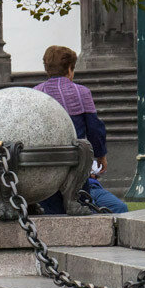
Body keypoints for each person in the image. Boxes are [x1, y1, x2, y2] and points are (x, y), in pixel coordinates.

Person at [34, 46, 127, 215]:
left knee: (51, 212)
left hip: (45, 165)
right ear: (70, 69)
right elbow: (94, 128)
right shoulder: (81, 92)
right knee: (79, 207)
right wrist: (101, 155)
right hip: (75, 165)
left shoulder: (36, 93)